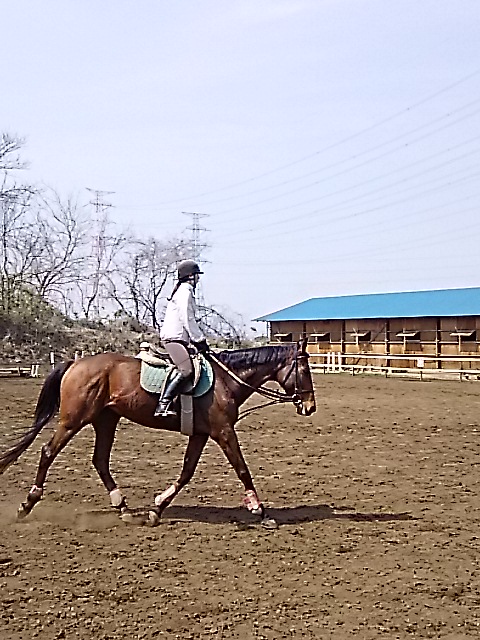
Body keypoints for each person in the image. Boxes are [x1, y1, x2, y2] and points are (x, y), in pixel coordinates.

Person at [155, 259, 210, 417]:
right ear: (191, 276)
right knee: (186, 370)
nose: (199, 279)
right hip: (173, 339)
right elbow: (188, 318)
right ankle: (163, 404)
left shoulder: (184, 291)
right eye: (197, 275)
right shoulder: (185, 292)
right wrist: (199, 339)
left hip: (180, 338)